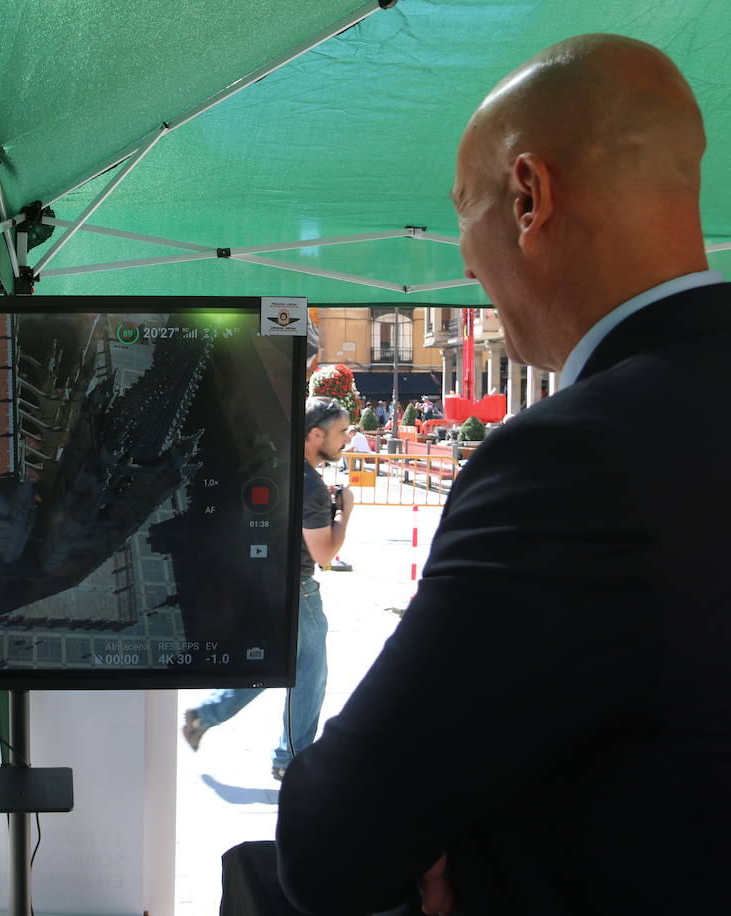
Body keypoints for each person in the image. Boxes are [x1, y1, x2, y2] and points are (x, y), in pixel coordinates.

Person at [223, 34, 731, 916]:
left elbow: (332, 839)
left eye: (465, 209)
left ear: (528, 196)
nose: (463, 259)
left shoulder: (570, 461)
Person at [182, 396, 354, 780]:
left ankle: (204, 716)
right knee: (310, 675)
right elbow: (324, 552)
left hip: (265, 581)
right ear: (314, 435)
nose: (348, 438)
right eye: (342, 431)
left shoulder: (283, 467)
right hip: (299, 590)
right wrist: (345, 514)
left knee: (275, 665)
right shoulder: (310, 486)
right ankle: (290, 759)